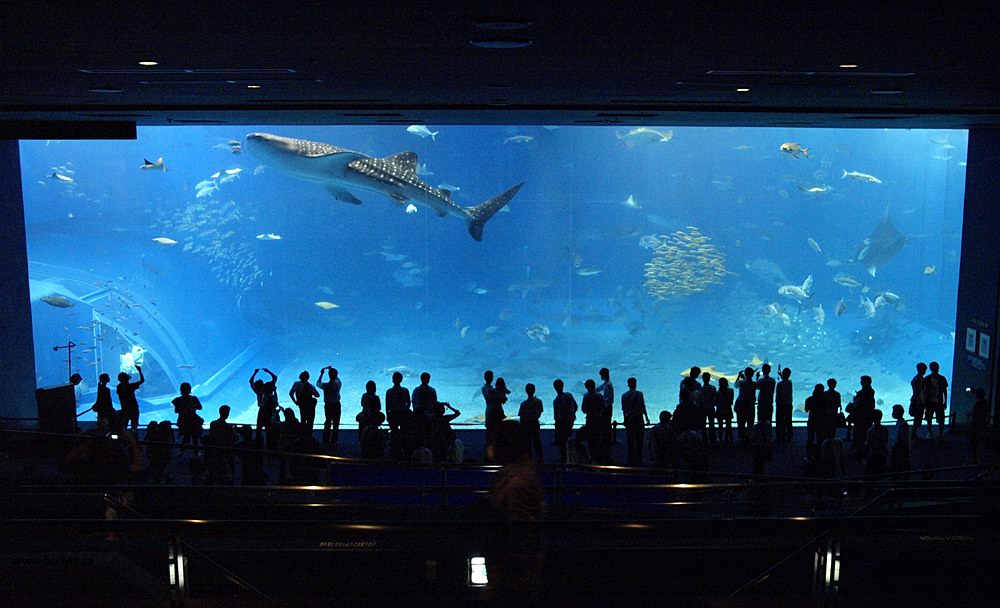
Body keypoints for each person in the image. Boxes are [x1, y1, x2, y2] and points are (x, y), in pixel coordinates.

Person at [621, 377, 650, 465]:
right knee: (639, 438)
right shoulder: (640, 394)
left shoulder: (624, 395)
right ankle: (639, 456)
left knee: (630, 438)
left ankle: (631, 456)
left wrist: (624, 419)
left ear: (628, 384)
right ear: (635, 384)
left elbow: (624, 409)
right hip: (638, 418)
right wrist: (647, 417)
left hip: (629, 419)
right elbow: (643, 406)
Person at [172, 382, 204, 456]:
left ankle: (181, 452)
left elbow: (176, 411)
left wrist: (183, 409)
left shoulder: (178, 400)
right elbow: (200, 407)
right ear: (190, 389)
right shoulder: (193, 398)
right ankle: (195, 453)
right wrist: (192, 407)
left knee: (186, 437)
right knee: (194, 437)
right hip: (193, 420)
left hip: (183, 421)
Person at [385, 371, 411, 460]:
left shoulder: (389, 391)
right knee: (404, 431)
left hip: (392, 413)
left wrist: (387, 414)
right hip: (403, 413)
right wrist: (406, 409)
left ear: (393, 380)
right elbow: (409, 402)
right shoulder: (405, 390)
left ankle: (394, 449)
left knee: (394, 431)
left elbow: (387, 404)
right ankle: (404, 449)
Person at [581, 379, 608, 464]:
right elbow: (604, 407)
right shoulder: (600, 396)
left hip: (590, 419)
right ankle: (599, 456)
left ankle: (592, 456)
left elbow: (583, 409)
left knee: (590, 438)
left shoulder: (586, 396)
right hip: (598, 419)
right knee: (598, 437)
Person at [249, 368, 278, 444]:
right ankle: (269, 445)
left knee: (259, 429)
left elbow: (250, 381)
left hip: (262, 411)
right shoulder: (267, 389)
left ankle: (259, 444)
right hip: (269, 411)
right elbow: (275, 378)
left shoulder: (258, 392)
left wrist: (255, 373)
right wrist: (268, 371)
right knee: (269, 430)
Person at [552, 379, 578, 464]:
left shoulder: (556, 400)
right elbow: (576, 406)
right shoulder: (569, 395)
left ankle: (563, 457)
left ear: (554, 388)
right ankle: (571, 456)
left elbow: (556, 415)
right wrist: (572, 415)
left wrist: (557, 424)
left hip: (561, 423)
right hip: (570, 420)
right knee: (569, 437)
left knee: (561, 441)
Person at [518, 383, 544, 463]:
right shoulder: (539, 402)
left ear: (526, 391)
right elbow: (540, 412)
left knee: (527, 444)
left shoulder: (523, 404)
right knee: (537, 443)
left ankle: (529, 461)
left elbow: (521, 417)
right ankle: (540, 461)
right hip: (535, 423)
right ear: (534, 390)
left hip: (526, 425)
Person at [288, 371, 320, 437]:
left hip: (301, 405)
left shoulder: (296, 384)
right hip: (309, 406)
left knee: (303, 420)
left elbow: (291, 393)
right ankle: (309, 436)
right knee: (310, 421)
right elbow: (317, 395)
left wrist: (295, 401)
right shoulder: (310, 386)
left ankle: (303, 436)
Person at [317, 366, 342, 446]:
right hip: (336, 405)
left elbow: (318, 383)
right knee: (336, 423)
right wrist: (332, 371)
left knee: (328, 422)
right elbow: (337, 379)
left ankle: (325, 440)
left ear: (329, 375)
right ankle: (334, 441)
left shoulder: (325, 386)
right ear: (336, 375)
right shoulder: (338, 384)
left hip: (328, 406)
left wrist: (321, 374)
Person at [923, 361, 948, 440]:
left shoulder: (942, 378)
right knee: (929, 417)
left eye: (936, 368)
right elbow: (924, 391)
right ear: (931, 369)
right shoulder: (926, 379)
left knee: (941, 418)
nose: (936, 369)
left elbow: (945, 391)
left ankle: (941, 433)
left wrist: (945, 401)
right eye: (934, 368)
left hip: (939, 402)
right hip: (930, 402)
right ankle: (929, 431)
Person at [411, 371, 438, 446]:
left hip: (418, 414)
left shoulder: (416, 390)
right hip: (429, 415)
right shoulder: (432, 390)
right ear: (429, 379)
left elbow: (413, 402)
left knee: (419, 433)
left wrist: (415, 414)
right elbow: (434, 402)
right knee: (429, 433)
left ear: (421, 379)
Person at [850, 375, 876, 452]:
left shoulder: (861, 393)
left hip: (860, 415)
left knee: (859, 431)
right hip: (868, 415)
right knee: (866, 430)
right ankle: (866, 446)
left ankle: (858, 447)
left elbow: (856, 404)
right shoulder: (871, 392)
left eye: (862, 381)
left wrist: (856, 399)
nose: (860, 382)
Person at [116, 365, 145, 432]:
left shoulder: (119, 387)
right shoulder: (131, 386)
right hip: (133, 408)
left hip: (124, 409)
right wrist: (140, 371)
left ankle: (123, 438)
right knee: (134, 425)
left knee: (124, 425)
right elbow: (142, 380)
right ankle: (134, 438)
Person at [863, 409, 889, 486]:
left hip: (873, 454)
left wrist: (864, 456)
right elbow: (885, 442)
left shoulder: (870, 430)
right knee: (880, 472)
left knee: (872, 472)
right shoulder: (885, 430)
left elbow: (868, 444)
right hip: (883, 453)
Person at [485, 377, 510, 449]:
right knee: (498, 428)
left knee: (493, 429)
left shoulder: (495, 391)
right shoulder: (498, 391)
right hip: (498, 411)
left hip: (496, 411)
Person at [597, 368, 615, 461]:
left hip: (607, 408)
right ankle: (607, 439)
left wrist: (602, 406)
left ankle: (608, 440)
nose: (600, 377)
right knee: (606, 424)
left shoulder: (608, 385)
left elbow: (609, 399)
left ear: (604, 375)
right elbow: (599, 388)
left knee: (606, 424)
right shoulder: (606, 384)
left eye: (601, 375)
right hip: (606, 407)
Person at [804, 383, 825, 461]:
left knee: (810, 437)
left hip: (812, 419)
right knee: (821, 437)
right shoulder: (825, 399)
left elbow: (806, 410)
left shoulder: (809, 399)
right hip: (821, 420)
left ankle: (808, 455)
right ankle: (821, 454)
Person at [734, 367, 756, 441]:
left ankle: (741, 438)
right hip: (750, 405)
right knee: (750, 423)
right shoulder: (754, 383)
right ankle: (749, 437)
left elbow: (735, 385)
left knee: (741, 423)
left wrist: (739, 376)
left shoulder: (741, 383)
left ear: (745, 374)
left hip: (741, 405)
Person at [970, 388, 990, 464]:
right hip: (982, 424)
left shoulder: (978, 404)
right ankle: (978, 460)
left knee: (975, 442)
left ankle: (976, 460)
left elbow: (975, 415)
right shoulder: (986, 403)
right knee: (979, 442)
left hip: (976, 425)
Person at [755, 363, 776, 437]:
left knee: (760, 419)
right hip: (769, 402)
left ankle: (760, 435)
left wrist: (757, 377)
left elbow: (756, 387)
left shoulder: (761, 380)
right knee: (768, 420)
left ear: (762, 371)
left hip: (761, 402)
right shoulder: (773, 380)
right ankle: (768, 435)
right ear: (770, 370)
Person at [890, 404, 911, 473]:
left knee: (899, 465)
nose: (892, 413)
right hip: (898, 448)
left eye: (894, 412)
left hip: (900, 448)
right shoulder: (900, 423)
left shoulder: (903, 424)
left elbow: (903, 438)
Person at [908, 362, 927, 441]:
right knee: (917, 418)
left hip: (920, 401)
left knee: (918, 419)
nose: (925, 371)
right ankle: (913, 434)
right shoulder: (917, 379)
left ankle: (913, 434)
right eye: (924, 370)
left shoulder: (920, 378)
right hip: (918, 401)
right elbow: (917, 391)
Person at [775, 367, 793, 444]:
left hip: (781, 405)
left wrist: (778, 403)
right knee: (788, 421)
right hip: (788, 404)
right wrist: (781, 374)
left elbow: (778, 395)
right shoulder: (790, 383)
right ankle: (789, 435)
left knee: (780, 421)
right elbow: (785, 380)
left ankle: (780, 436)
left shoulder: (779, 384)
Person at [715, 377, 734, 444]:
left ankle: (720, 440)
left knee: (720, 426)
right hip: (728, 410)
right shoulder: (731, 390)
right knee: (729, 426)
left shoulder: (717, 392)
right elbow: (731, 402)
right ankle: (728, 439)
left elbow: (715, 402)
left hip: (719, 410)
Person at [700, 372, 718, 444]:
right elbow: (715, 398)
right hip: (711, 407)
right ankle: (712, 438)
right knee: (711, 424)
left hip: (703, 408)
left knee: (703, 425)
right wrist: (714, 404)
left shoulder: (700, 389)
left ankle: (704, 438)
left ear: (703, 379)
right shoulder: (713, 388)